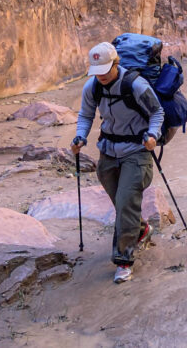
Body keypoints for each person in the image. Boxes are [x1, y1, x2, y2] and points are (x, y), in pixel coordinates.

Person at [70, 42, 164, 283]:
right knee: (123, 204)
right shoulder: (92, 87)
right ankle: (141, 229)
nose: (100, 76)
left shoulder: (135, 84)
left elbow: (157, 112)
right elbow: (86, 115)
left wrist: (153, 135)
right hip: (108, 150)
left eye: (105, 70)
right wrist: (80, 137)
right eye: (96, 71)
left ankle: (124, 260)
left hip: (137, 150)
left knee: (125, 202)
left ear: (116, 63)